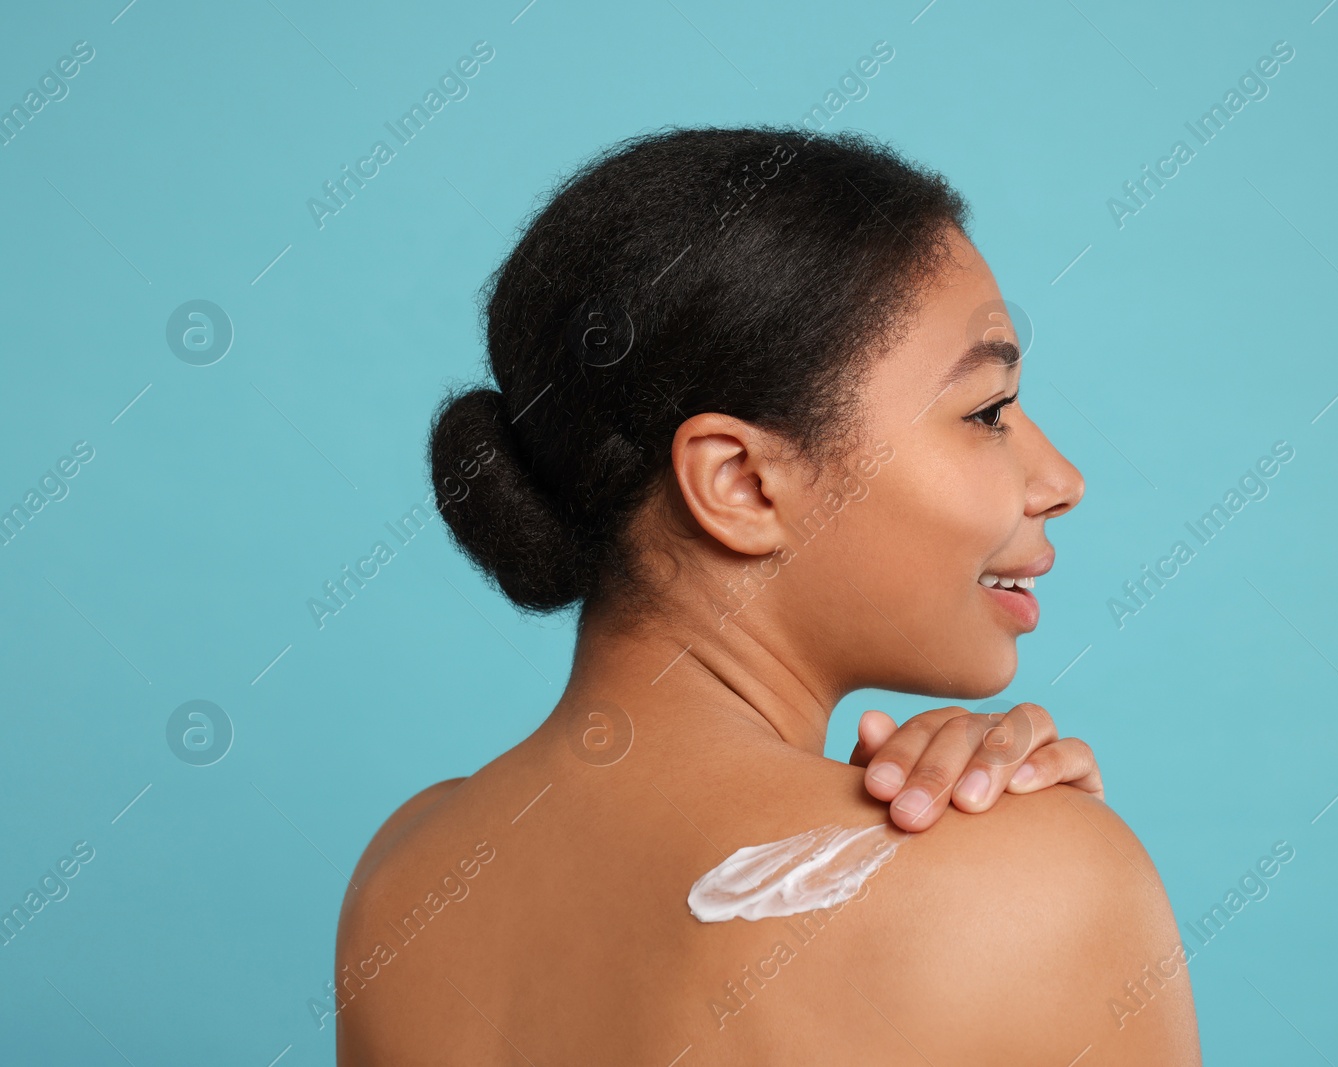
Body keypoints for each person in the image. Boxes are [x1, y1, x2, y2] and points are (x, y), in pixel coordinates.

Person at [335, 125, 1201, 1065]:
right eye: (988, 412)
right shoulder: (1034, 881)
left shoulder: (405, 874)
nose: (1062, 477)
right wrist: (1058, 859)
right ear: (741, 483)